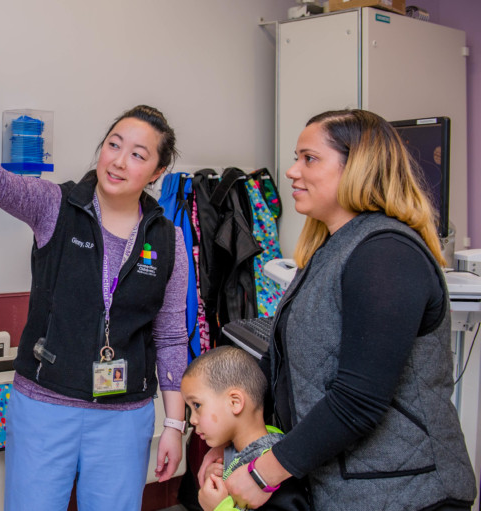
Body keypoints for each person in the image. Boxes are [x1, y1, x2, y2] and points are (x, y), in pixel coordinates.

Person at [0, 105, 189, 511]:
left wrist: (174, 425)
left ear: (157, 173)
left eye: (138, 154)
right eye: (113, 144)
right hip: (44, 408)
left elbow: (171, 336)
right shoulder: (56, 205)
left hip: (124, 418)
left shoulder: (168, 240)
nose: (119, 161)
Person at [199, 109, 477, 510]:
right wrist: (236, 440)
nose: (293, 171)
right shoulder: (332, 250)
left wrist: (263, 471)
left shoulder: (386, 254)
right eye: (297, 157)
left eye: (309, 159)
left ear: (358, 168)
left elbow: (358, 400)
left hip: (410, 493)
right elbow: (294, 372)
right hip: (353, 488)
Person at [181, 346, 309, 511]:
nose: (192, 419)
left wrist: (219, 507)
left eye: (197, 405)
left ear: (235, 402)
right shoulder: (237, 451)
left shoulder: (274, 470)